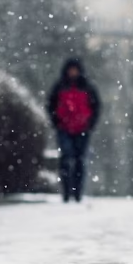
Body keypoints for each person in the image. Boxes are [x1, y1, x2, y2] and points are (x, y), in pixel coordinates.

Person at [47, 58, 101, 203]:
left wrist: (90, 123)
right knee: (66, 159)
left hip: (82, 129)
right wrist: (56, 122)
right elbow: (51, 105)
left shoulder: (87, 87)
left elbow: (96, 107)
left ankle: (77, 193)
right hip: (64, 128)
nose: (73, 72)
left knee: (79, 161)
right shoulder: (59, 87)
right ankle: (66, 192)